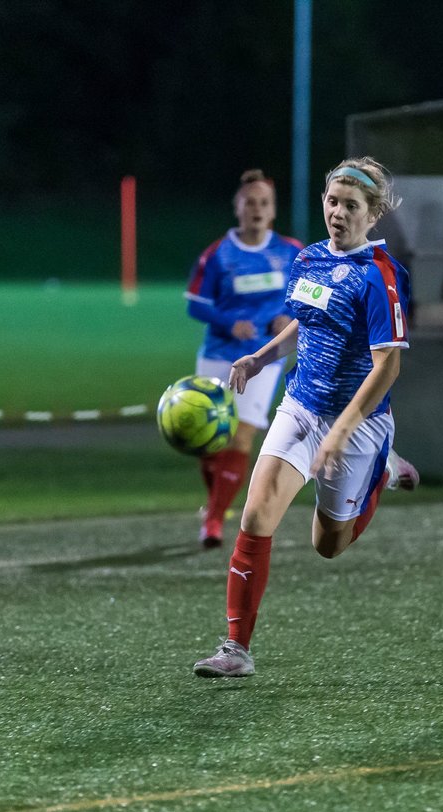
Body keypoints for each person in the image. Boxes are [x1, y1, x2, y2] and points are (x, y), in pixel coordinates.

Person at [193, 157, 418, 678]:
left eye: (351, 206)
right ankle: (236, 649)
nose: (338, 213)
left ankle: (380, 470)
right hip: (299, 405)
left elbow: (389, 367)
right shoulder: (310, 257)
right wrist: (261, 357)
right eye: (333, 201)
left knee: (328, 545)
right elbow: (305, 319)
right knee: (255, 515)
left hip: (357, 424)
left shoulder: (380, 275)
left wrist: (341, 432)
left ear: (375, 213)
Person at [184, 170, 305, 548]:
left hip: (263, 359)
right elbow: (196, 305)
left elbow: (306, 296)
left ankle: (215, 522)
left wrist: (290, 313)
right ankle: (215, 501)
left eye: (263, 203)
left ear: (273, 211)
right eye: (249, 202)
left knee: (242, 434)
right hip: (219, 354)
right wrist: (228, 322)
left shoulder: (290, 252)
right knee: (208, 442)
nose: (256, 209)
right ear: (237, 207)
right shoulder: (218, 254)